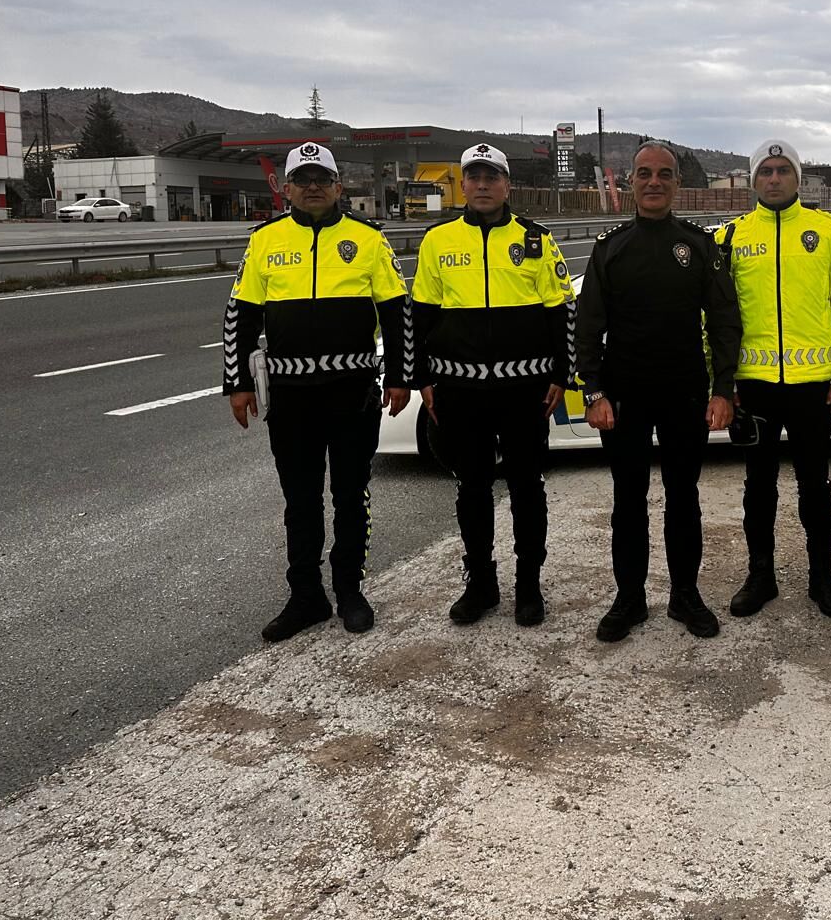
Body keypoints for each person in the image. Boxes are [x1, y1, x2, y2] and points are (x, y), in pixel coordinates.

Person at [223, 142, 410, 641]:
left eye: (321, 178)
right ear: (285, 188)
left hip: (353, 392)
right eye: (302, 179)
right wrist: (237, 385)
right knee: (299, 500)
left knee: (351, 496)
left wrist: (399, 376)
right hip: (290, 395)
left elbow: (396, 312)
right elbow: (240, 317)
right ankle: (306, 597)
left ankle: (350, 590)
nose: (312, 187)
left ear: (338, 186)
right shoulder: (264, 240)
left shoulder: (369, 238)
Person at [576, 140, 742, 642]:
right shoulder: (610, 248)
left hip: (684, 392)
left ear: (677, 183)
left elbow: (724, 321)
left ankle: (685, 596)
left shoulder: (698, 245)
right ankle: (629, 599)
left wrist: (723, 390)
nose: (653, 182)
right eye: (644, 173)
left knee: (683, 497)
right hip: (624, 396)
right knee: (627, 500)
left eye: (664, 174)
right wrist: (594, 393)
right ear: (631, 181)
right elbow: (586, 328)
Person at [410, 143, 576, 628]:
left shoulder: (536, 240)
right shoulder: (438, 241)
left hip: (524, 391)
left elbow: (562, 311)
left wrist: (561, 375)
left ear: (507, 184)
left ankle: (529, 586)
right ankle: (481, 583)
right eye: (474, 177)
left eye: (492, 177)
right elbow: (420, 315)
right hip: (460, 391)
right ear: (463, 185)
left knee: (528, 487)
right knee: (472, 489)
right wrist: (421, 377)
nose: (483, 185)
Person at [715, 139, 831, 620]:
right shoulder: (731, 236)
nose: (774, 179)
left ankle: (823, 576)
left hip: (813, 387)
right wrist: (723, 380)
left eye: (783, 170)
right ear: (753, 180)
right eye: (766, 171)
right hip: (753, 385)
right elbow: (717, 316)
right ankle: (761, 576)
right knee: (758, 487)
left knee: (815, 487)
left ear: (798, 178)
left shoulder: (826, 233)